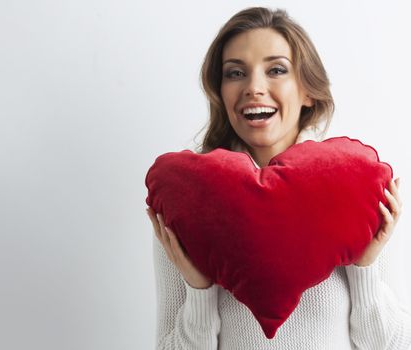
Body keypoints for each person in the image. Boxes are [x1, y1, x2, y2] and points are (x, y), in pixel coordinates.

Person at [145, 7, 411, 349]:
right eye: (235, 72)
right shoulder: (189, 201)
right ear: (220, 91)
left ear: (307, 91)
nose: (254, 87)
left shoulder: (357, 189)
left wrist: (365, 269)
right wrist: (200, 289)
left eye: (276, 70)